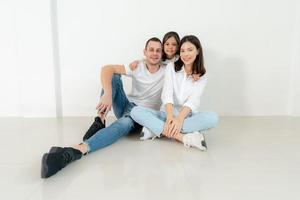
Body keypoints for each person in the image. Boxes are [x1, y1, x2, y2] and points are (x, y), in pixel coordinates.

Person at [41, 37, 166, 178]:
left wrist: (196, 75)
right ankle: (100, 120)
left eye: (158, 50)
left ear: (162, 53)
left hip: (142, 115)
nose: (154, 53)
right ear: (145, 51)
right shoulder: (137, 66)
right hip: (127, 106)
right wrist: (107, 94)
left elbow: (185, 64)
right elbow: (107, 68)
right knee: (113, 77)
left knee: (123, 124)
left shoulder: (168, 71)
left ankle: (73, 151)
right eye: (151, 50)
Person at [130, 35, 219, 151]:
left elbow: (193, 101)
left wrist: (179, 119)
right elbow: (167, 94)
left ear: (197, 51)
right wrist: (170, 117)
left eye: (190, 50)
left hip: (187, 116)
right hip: (166, 114)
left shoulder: (202, 75)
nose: (186, 54)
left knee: (212, 118)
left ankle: (155, 130)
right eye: (182, 50)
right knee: (135, 111)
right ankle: (184, 137)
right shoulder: (171, 67)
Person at [129, 31, 181, 140]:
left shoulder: (180, 59)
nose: (170, 47)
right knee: (162, 113)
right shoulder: (162, 59)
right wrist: (139, 61)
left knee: (176, 115)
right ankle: (158, 129)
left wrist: (196, 73)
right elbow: (151, 58)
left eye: (174, 44)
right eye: (167, 44)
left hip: (179, 98)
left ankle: (156, 130)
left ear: (178, 46)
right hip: (166, 100)